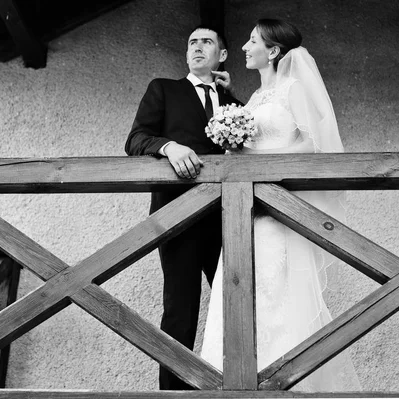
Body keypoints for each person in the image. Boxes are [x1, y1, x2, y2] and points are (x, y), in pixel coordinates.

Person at [200, 19, 362, 391]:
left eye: (252, 41)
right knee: (243, 287)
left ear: (272, 51)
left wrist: (265, 164)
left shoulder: (294, 89)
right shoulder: (254, 99)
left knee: (279, 291)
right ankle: (236, 381)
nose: (244, 46)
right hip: (248, 210)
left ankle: (289, 383)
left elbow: (312, 144)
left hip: (276, 208)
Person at [125, 25, 242, 390]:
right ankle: (172, 394)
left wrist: (229, 92)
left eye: (206, 42)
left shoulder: (233, 103)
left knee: (236, 308)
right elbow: (135, 139)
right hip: (179, 217)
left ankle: (237, 389)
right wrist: (169, 147)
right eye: (192, 42)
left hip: (228, 217)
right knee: (180, 310)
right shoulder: (164, 88)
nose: (197, 47)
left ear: (221, 55)